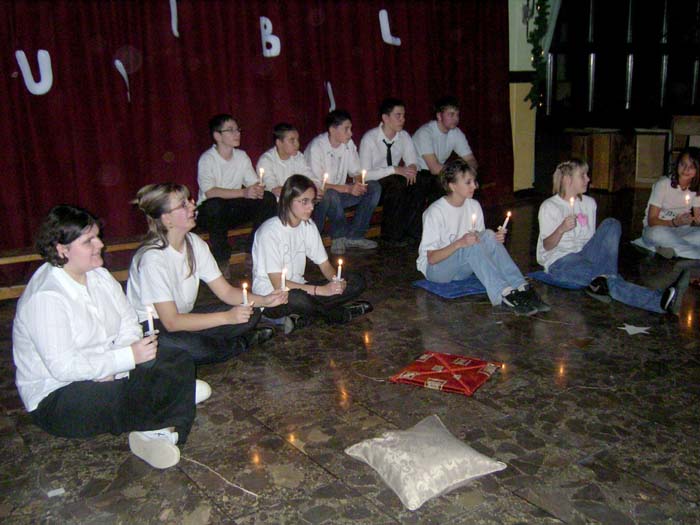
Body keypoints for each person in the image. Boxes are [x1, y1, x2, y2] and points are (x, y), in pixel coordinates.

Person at [13, 205, 197, 469]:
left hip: (109, 372)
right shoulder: (46, 298)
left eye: (97, 237)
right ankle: (172, 411)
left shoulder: (98, 275)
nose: (100, 244)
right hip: (58, 397)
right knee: (129, 392)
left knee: (179, 359)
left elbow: (128, 324)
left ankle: (163, 419)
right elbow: (63, 368)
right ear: (62, 249)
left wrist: (119, 363)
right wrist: (122, 359)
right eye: (89, 241)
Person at [127, 183, 287, 366]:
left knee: (251, 312)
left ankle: (211, 343)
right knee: (190, 346)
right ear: (167, 218)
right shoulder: (152, 259)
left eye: (189, 201)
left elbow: (226, 292)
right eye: (183, 205)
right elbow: (171, 322)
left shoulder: (194, 243)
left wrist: (264, 300)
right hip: (154, 328)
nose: (192, 206)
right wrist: (227, 318)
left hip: (183, 317)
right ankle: (240, 344)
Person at [537, 160, 690, 315]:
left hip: (587, 255)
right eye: (582, 175)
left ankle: (602, 281)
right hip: (561, 261)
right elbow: (547, 246)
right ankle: (659, 301)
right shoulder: (550, 207)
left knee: (611, 223)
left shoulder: (589, 203)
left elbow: (591, 240)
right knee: (607, 280)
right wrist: (561, 229)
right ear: (567, 179)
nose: (588, 179)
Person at [417, 159, 548, 316]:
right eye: (468, 182)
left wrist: (494, 240)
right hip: (437, 271)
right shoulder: (435, 212)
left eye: (474, 181)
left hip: (461, 269)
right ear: (452, 186)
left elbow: (480, 245)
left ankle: (521, 286)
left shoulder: (473, 206)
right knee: (470, 244)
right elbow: (432, 258)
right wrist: (459, 243)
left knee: (488, 235)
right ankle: (504, 293)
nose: (474, 186)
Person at [252, 175, 373, 334]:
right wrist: (320, 291)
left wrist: (336, 281)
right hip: (273, 295)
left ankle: (303, 317)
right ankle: (338, 314)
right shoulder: (269, 232)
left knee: (356, 281)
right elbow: (278, 284)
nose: (311, 207)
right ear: (288, 200)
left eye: (312, 201)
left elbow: (325, 264)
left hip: (302, 287)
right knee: (298, 298)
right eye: (304, 201)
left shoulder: (308, 225)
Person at [196, 113, 277, 276]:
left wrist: (257, 189)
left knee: (268, 198)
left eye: (238, 129)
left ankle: (252, 250)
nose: (237, 133)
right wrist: (244, 192)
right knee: (215, 205)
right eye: (230, 130)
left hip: (232, 208)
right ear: (217, 136)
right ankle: (221, 259)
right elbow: (210, 192)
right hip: (210, 213)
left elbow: (252, 182)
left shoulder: (241, 156)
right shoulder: (207, 159)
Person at [305, 109, 381, 255]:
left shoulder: (348, 144)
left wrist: (359, 183)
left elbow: (356, 172)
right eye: (346, 129)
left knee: (374, 187)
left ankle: (355, 236)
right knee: (330, 194)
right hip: (321, 198)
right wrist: (348, 188)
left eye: (350, 128)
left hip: (342, 194)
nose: (350, 133)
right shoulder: (317, 147)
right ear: (332, 130)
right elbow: (318, 186)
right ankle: (338, 237)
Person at [359, 98, 431, 246]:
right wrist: (394, 169)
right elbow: (365, 174)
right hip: (374, 185)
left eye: (403, 115)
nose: (403, 119)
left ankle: (413, 232)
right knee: (396, 182)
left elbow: (413, 161)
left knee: (420, 180)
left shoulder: (404, 136)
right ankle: (390, 235)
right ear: (385, 118)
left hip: (395, 181)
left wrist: (412, 168)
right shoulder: (370, 138)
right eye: (398, 115)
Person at [412, 96, 478, 204]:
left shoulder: (456, 133)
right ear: (439, 116)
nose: (456, 119)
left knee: (471, 183)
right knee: (442, 186)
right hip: (418, 175)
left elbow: (471, 160)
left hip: (439, 174)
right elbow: (434, 168)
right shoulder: (425, 132)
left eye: (457, 115)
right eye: (451, 114)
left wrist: (468, 175)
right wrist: (459, 175)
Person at [641, 147, 700, 259]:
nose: (685, 169)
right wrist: (674, 222)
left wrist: (695, 219)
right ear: (677, 164)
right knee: (657, 234)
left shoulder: (696, 189)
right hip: (658, 229)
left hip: (682, 232)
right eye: (682, 164)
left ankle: (669, 248)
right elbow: (652, 220)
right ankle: (691, 252)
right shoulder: (663, 184)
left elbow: (697, 218)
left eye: (691, 167)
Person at [256, 123, 314, 200]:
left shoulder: (299, 157)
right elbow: (274, 189)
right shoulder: (266, 160)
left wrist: (315, 187)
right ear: (279, 143)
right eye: (292, 141)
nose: (297, 144)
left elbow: (310, 178)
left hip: (298, 200)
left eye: (297, 140)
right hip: (276, 203)